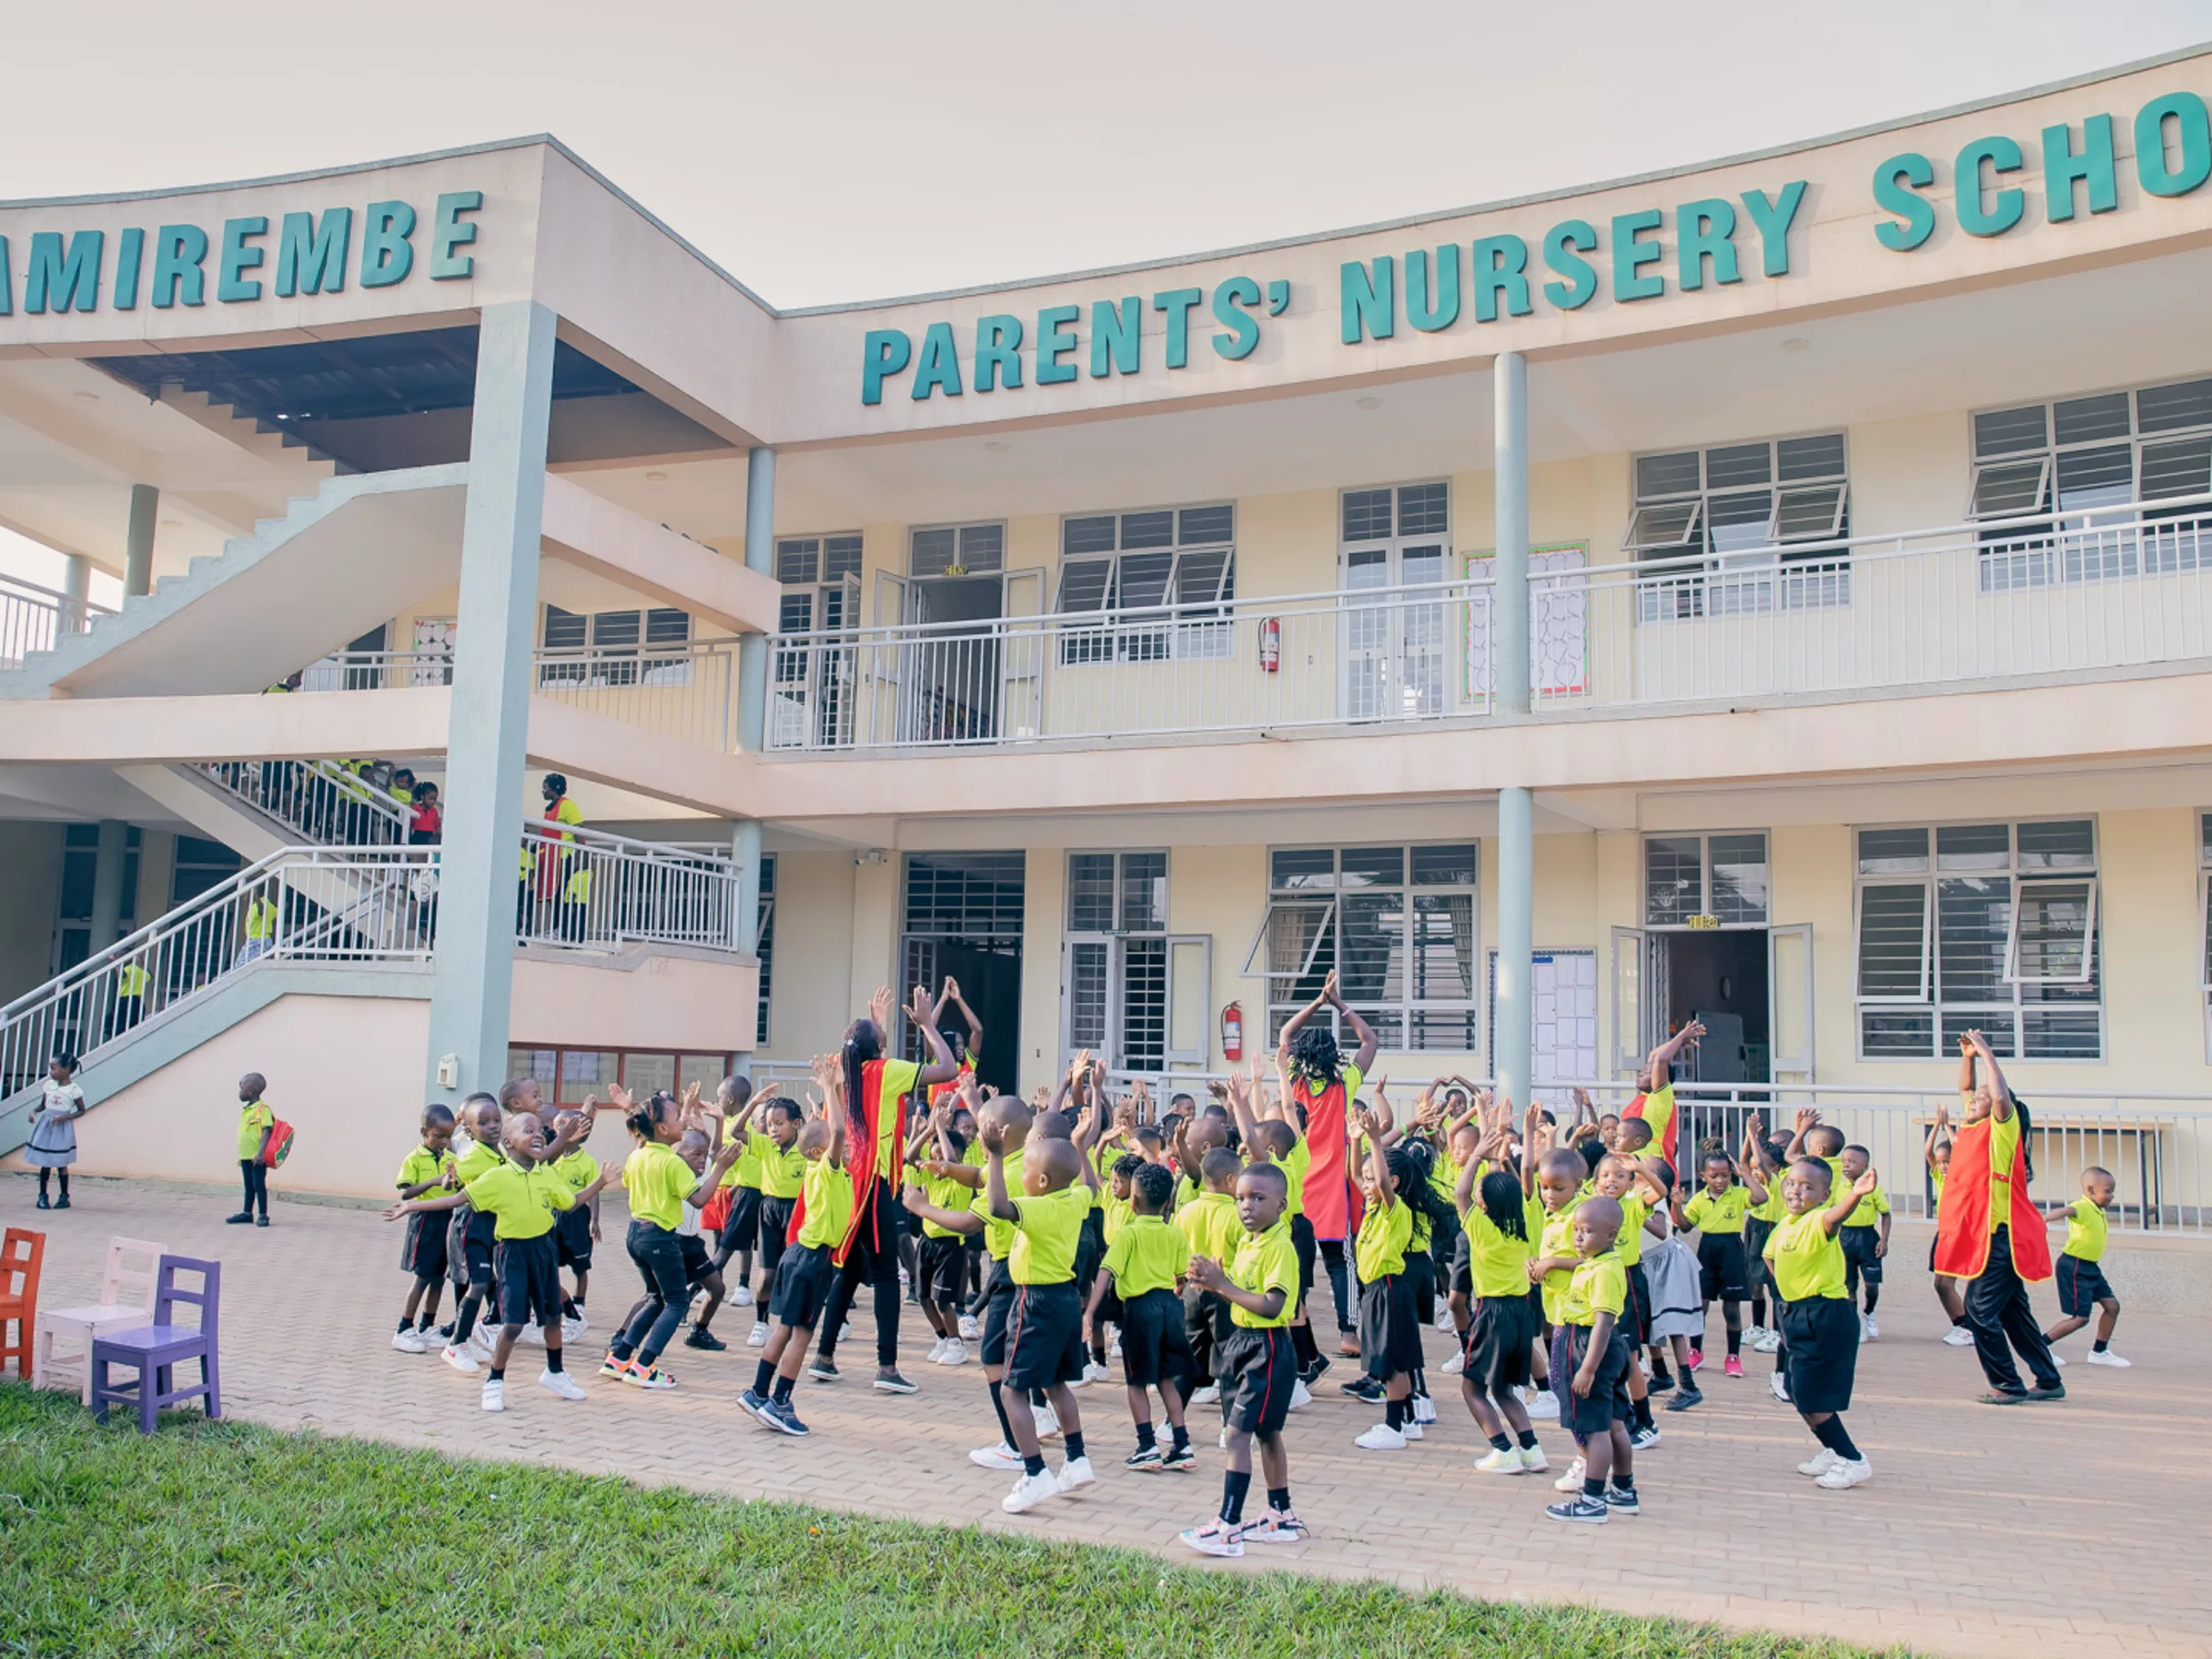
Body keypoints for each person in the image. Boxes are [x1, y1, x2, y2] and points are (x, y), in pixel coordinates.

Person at [383, 1108, 613, 1412]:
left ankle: (555, 1373)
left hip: (544, 1252)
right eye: (528, 1130)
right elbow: (456, 1199)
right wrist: (411, 1207)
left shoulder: (546, 1174)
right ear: (509, 1141)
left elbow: (570, 1203)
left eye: (539, 1131)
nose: (538, 1135)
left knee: (552, 1320)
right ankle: (494, 1381)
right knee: (513, 1324)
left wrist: (600, 1182)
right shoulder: (497, 1177)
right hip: (512, 1255)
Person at [807, 984, 959, 1394]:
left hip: (847, 1182)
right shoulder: (885, 1071)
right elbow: (947, 1070)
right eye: (881, 1036)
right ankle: (887, 1367)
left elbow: (858, 1050)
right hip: (872, 1185)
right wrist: (927, 1025)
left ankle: (824, 1357)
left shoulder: (840, 1067)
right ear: (878, 1048)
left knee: (849, 1271)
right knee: (887, 1276)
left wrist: (872, 1023)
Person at [1179, 1161, 1304, 1557]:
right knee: (1266, 1433)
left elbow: (1272, 1305)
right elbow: (1241, 1290)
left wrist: (1224, 1285)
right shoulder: (1252, 1242)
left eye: (1258, 1198)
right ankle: (1280, 1515)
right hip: (1244, 1345)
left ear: (1281, 1204)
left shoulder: (1280, 1247)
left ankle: (1228, 1526)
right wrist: (1212, 1283)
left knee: (1237, 1435)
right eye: (1241, 1199)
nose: (1246, 1206)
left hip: (1266, 1349)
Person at [1936, 1030, 2064, 1406]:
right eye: (1975, 1098)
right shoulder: (1971, 1128)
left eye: (1982, 1098)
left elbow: (2001, 1097)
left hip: (2002, 1238)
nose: (1973, 1099)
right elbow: (1966, 1088)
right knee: (2013, 1314)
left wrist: (1987, 1053)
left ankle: (2008, 1384)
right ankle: (2049, 1380)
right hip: (1985, 1238)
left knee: (1978, 1310)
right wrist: (1968, 1058)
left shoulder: (2001, 1132)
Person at [982, 1110, 1100, 1513]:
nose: (1023, 1177)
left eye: (1027, 1171)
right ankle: (1077, 1459)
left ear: (1043, 1182)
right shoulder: (1074, 1199)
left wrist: (996, 1155)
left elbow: (998, 1206)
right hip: (1065, 1300)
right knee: (1056, 1383)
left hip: (1034, 1303)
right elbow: (1092, 1188)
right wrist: (1080, 1146)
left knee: (1011, 1390)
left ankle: (1035, 1473)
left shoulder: (1039, 1208)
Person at [743, 1066, 854, 1438]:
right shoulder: (827, 1169)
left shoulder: (815, 1167)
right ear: (822, 1152)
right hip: (812, 1260)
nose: (847, 1146)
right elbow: (838, 1131)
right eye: (840, 1145)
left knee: (784, 1329)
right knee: (802, 1335)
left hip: (797, 1254)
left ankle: (758, 1393)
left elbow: (834, 1130)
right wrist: (830, 1088)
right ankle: (780, 1403)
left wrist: (835, 1091)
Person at [1765, 1155, 1884, 1489]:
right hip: (1796, 1312)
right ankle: (1832, 1450)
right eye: (1791, 1183)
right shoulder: (1786, 1223)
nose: (1796, 1191)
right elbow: (1769, 1256)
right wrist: (1789, 1293)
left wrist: (1856, 1194)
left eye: (1807, 1187)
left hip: (1824, 1314)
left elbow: (1835, 1217)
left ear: (1824, 1195)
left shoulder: (1818, 1219)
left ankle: (1853, 1460)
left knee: (1812, 1395)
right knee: (1794, 1389)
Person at [1276, 970, 1377, 1359]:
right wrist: (1338, 1003)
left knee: (1295, 1258)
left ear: (1300, 1056)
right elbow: (1370, 1040)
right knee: (1340, 1261)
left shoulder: (1294, 1082)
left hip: (1297, 1186)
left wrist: (1317, 1002)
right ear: (1334, 1055)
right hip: (1333, 1189)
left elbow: (1286, 1034)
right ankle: (1348, 1333)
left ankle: (1295, 1328)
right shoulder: (1344, 1083)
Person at [1083, 1159, 1197, 1472]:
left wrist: (1090, 1311)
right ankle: (1182, 1444)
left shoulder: (1128, 1234)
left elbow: (1106, 1272)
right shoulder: (1175, 1233)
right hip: (1169, 1307)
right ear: (1168, 1202)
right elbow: (1182, 1275)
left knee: (1136, 1382)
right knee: (1166, 1380)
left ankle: (1147, 1446)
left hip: (1140, 1310)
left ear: (1133, 1200)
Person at [1454, 1097, 1548, 1475]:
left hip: (1491, 1313)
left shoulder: (1482, 1229)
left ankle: (1502, 1449)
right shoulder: (1529, 1219)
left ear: (1486, 1206)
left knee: (1472, 1388)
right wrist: (1513, 1139)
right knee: (1505, 1389)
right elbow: (1521, 1176)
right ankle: (1531, 1450)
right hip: (1522, 1311)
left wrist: (1479, 1153)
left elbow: (1461, 1193)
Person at [1540, 1194, 1636, 1524]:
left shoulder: (1605, 1270)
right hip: (1593, 1345)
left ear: (1611, 1235)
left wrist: (1588, 1368)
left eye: (1588, 1231)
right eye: (1577, 1230)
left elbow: (1603, 1323)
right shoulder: (1595, 1263)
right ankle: (1623, 1491)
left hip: (1590, 1347)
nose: (1579, 1237)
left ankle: (1592, 1500)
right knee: (1613, 1424)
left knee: (1596, 1429)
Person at [1347, 1111, 1424, 1450]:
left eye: (1372, 1180)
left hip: (1388, 1289)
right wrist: (1355, 1141)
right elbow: (1355, 1174)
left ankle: (1393, 1427)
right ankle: (1408, 1421)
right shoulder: (1375, 1207)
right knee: (1397, 1359)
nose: (1365, 1185)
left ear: (1392, 1182)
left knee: (1391, 1363)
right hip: (1378, 1291)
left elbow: (1378, 1181)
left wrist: (1375, 1140)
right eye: (1365, 1180)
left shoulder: (1395, 1209)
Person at [1672, 1148, 1762, 1381]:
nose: (1720, 1180)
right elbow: (1684, 1227)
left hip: (1732, 1251)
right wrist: (1677, 1205)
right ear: (1702, 1175)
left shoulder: (1738, 1194)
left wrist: (1744, 1174)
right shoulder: (1698, 1200)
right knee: (1700, 1305)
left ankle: (1733, 1356)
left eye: (1725, 1175)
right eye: (1714, 1176)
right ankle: (1695, 1350)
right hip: (1707, 1251)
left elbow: (1761, 1197)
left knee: (1731, 1309)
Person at [2044, 1166, 2129, 1368]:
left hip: (2090, 1267)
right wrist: (2044, 1219)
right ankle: (2039, 1346)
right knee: (2080, 1318)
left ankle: (2099, 1352)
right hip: (2074, 1266)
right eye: (2107, 1191)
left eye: (2112, 1192)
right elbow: (2067, 1211)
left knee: (2112, 1307)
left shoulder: (2098, 1210)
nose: (2111, 1196)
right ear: (2090, 1190)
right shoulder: (2083, 1206)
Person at [392, 1103, 459, 1351]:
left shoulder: (452, 1159)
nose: (444, 1142)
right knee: (423, 1276)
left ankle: (426, 1326)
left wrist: (451, 1182)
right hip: (424, 1221)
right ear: (424, 1131)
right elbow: (406, 1192)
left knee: (439, 1277)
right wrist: (433, 1182)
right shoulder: (414, 1159)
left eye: (448, 1136)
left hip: (447, 1219)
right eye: (439, 1136)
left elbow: (455, 1188)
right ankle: (404, 1328)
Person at [547, 1109, 600, 1341]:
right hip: (553, 1215)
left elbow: (594, 1191)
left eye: (563, 1125)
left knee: (580, 1265)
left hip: (577, 1217)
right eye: (556, 1126)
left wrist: (594, 1220)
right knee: (551, 1263)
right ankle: (558, 1302)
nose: (558, 1130)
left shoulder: (587, 1162)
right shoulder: (552, 1158)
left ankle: (579, 1304)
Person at [1924, 1106, 1974, 1346]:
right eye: (1941, 1162)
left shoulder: (1963, 1178)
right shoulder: (1939, 1177)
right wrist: (1937, 1124)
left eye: (1948, 1161)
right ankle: (1961, 1324)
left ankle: (1967, 1328)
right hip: (1944, 1234)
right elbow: (1928, 1151)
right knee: (1939, 1284)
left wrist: (1947, 1126)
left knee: (1946, 1284)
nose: (1943, 1166)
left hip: (1958, 1234)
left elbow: (1960, 1148)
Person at [1837, 1144, 1890, 1340]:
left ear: (1865, 1166)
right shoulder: (1838, 1188)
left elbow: (1886, 1214)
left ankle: (1869, 1313)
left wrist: (1883, 1240)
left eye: (1852, 1162)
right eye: (1844, 1161)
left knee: (1872, 1285)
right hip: (1845, 1237)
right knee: (1849, 1286)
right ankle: (1855, 1324)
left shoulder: (1873, 1188)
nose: (1846, 1165)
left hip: (1867, 1237)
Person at [26, 1052, 84, 1210]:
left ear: (66, 1069)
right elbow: (43, 1104)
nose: (51, 1072)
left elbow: (81, 1110)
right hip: (47, 1127)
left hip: (61, 1128)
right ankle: (42, 1196)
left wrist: (64, 1118)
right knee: (45, 1162)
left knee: (61, 1163)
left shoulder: (74, 1090)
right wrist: (34, 1111)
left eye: (54, 1068)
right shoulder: (49, 1086)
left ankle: (64, 1196)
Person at [227, 1072, 275, 1228]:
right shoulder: (247, 1110)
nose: (239, 1092)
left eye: (242, 1088)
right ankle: (247, 1213)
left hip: (257, 1156)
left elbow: (267, 1130)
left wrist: (260, 1153)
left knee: (258, 1184)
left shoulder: (262, 1109)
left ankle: (263, 1214)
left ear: (251, 1091)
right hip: (245, 1155)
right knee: (248, 1185)